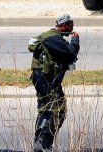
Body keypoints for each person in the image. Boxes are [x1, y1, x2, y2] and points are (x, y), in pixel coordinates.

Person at [28, 13, 80, 152]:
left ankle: (43, 143)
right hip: (45, 80)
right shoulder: (53, 38)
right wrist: (75, 40)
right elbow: (70, 53)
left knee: (56, 109)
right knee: (49, 110)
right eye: (70, 24)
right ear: (63, 25)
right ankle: (42, 144)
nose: (72, 27)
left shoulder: (54, 38)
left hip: (48, 79)